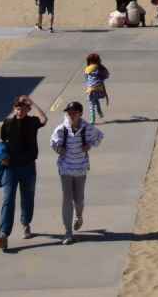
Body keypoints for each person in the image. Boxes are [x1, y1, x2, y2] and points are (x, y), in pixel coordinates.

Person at [0, 94, 49, 250]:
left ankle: (25, 223)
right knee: (8, 198)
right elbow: (1, 143)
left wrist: (33, 102)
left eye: (23, 109)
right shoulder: (7, 123)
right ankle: (3, 234)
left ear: (28, 109)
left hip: (28, 167)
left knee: (27, 197)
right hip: (10, 168)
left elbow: (44, 119)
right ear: (14, 109)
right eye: (18, 109)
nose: (20, 112)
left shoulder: (32, 122)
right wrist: (2, 157)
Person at [50, 101, 103, 245]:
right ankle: (68, 232)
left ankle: (78, 216)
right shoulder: (62, 129)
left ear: (80, 113)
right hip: (65, 168)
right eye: (69, 112)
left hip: (81, 168)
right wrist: (59, 149)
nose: (71, 115)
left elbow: (99, 137)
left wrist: (89, 146)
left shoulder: (87, 128)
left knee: (78, 199)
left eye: (74, 112)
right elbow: (53, 142)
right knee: (67, 199)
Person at [84, 53, 110, 123]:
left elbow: (86, 79)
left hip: (91, 89)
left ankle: (92, 118)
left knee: (92, 104)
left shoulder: (87, 69)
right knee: (96, 100)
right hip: (99, 89)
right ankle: (100, 112)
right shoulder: (100, 68)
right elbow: (106, 76)